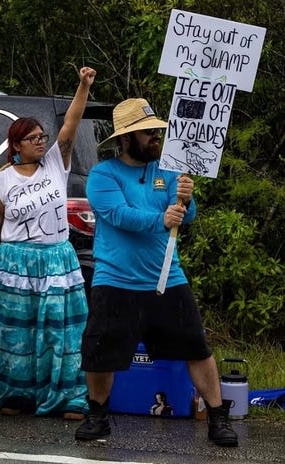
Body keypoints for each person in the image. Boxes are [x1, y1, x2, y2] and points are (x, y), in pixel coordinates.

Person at [74, 98, 238, 447]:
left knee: (197, 347)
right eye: (147, 133)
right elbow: (118, 215)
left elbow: (184, 217)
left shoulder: (167, 170)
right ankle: (98, 415)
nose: (155, 138)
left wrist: (186, 201)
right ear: (125, 139)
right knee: (100, 352)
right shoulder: (104, 174)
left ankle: (217, 417)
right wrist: (160, 219)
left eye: (155, 132)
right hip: (115, 280)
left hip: (168, 278)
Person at [0, 67, 96, 419]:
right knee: (19, 332)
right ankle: (18, 394)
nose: (41, 141)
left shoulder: (54, 165)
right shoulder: (1, 180)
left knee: (62, 330)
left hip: (55, 259)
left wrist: (82, 86)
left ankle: (69, 397)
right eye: (32, 138)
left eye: (41, 136)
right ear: (16, 145)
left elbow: (71, 126)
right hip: (17, 262)